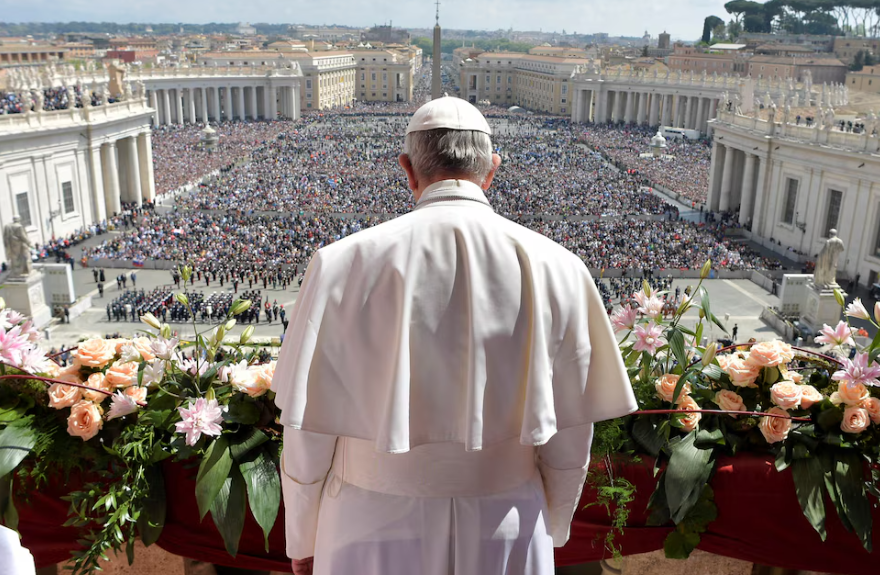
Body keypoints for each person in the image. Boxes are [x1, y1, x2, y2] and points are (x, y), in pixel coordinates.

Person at [272, 97, 637, 575]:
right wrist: (553, 524)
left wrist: (302, 535)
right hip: (506, 521)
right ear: (491, 170)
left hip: (368, 522)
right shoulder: (561, 267)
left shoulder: (339, 263)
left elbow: (308, 431)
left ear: (408, 170)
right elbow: (569, 434)